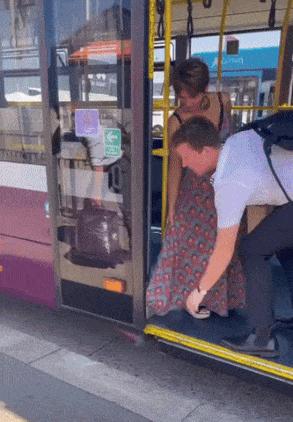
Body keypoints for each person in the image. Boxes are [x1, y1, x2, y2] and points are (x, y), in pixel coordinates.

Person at [172, 113, 293, 357]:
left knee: (252, 249)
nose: (184, 165)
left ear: (205, 151)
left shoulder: (229, 180)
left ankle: (261, 338)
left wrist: (198, 292)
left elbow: (223, 251)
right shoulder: (236, 142)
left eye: (186, 156)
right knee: (282, 245)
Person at [146, 58, 246, 319]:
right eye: (179, 95)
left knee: (223, 246)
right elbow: (175, 167)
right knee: (188, 246)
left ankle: (217, 301)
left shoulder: (223, 101)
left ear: (204, 90)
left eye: (189, 96)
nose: (183, 102)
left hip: (226, 187)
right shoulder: (175, 120)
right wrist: (171, 210)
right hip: (194, 192)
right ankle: (189, 300)